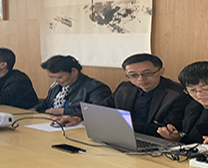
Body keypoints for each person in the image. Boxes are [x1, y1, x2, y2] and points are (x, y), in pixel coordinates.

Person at [53, 53, 189, 135]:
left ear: (161, 71)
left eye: (147, 73)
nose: (140, 79)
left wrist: (118, 124)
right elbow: (103, 106)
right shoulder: (125, 88)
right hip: (122, 136)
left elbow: (168, 129)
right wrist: (78, 117)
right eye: (133, 75)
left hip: (155, 141)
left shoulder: (176, 94)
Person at [33, 55, 111, 115]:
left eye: (59, 77)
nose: (55, 81)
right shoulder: (56, 86)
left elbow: (98, 112)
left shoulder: (96, 88)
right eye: (52, 77)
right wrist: (33, 110)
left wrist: (64, 111)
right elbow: (46, 103)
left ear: (74, 71)